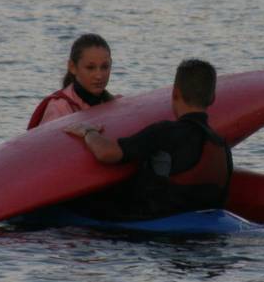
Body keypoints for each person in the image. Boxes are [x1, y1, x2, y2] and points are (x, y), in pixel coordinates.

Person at [64, 59, 233, 220]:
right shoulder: (221, 144)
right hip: (202, 227)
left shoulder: (165, 132)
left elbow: (106, 153)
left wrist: (89, 132)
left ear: (175, 93)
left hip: (153, 222)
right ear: (212, 98)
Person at [27, 33, 117, 129]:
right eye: (90, 68)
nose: (99, 75)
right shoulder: (59, 108)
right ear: (72, 67)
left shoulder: (116, 104)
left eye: (105, 67)